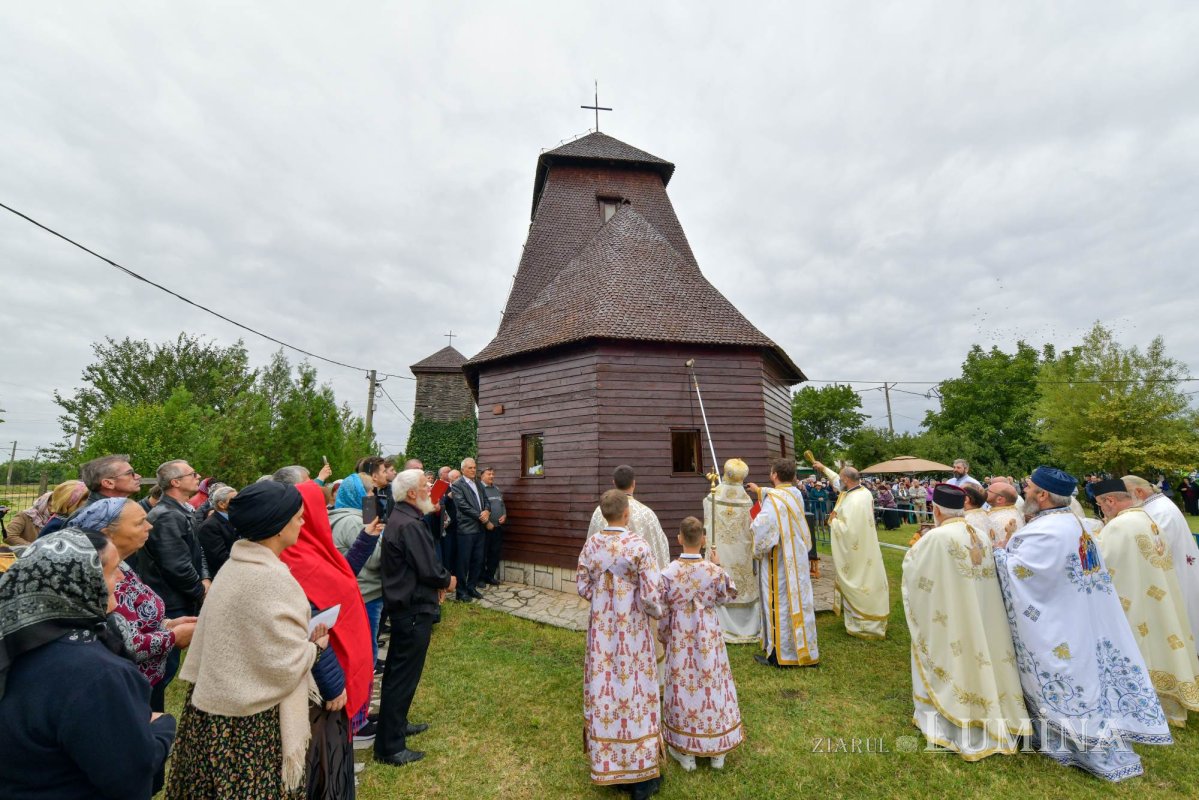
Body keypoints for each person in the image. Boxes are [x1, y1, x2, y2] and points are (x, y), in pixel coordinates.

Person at [994, 466, 1170, 781]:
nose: (1025, 492)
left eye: (1030, 487)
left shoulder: (1044, 531)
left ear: (1042, 495)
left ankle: (1075, 742)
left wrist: (997, 554)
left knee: (1064, 674)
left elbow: (1020, 574)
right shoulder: (1074, 523)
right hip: (1077, 613)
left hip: (1058, 620)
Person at [168, 480, 327, 799]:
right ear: (278, 526)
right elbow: (280, 665)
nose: (302, 522)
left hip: (216, 704)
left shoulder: (235, 566)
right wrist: (315, 648)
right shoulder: (270, 578)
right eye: (298, 517)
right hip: (250, 723)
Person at [0, 527, 176, 799]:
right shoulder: (97, 673)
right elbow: (129, 772)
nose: (122, 578)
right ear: (81, 581)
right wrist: (162, 727)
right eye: (113, 570)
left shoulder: (15, 643)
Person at [901, 484, 1029, 759]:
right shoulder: (979, 534)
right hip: (981, 611)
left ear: (936, 510)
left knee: (955, 660)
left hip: (953, 616)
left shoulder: (936, 537)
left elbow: (915, 572)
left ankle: (960, 723)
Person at [578, 489, 664, 799]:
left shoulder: (592, 545)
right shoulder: (639, 545)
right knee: (636, 689)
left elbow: (583, 586)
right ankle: (641, 776)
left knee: (606, 687)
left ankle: (611, 765)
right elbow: (652, 596)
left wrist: (604, 598)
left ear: (604, 515)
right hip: (633, 631)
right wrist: (656, 613)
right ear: (626, 513)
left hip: (602, 631)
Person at [1092, 478, 1199, 726]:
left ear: (1110, 501)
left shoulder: (1121, 525)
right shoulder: (1145, 518)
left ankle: (1141, 701)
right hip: (1155, 593)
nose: (1102, 510)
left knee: (1140, 646)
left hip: (1135, 597)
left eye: (1100, 505)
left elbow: (1102, 561)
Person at [77, 499, 198, 708]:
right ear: (107, 534)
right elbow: (122, 643)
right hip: (123, 690)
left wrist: (167, 623)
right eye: (139, 522)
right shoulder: (96, 576)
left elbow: (139, 616)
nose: (149, 526)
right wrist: (172, 636)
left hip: (146, 682)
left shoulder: (122, 565)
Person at [376, 468, 455, 767]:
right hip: (411, 608)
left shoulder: (405, 517)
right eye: (425, 486)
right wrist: (447, 581)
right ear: (412, 493)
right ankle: (390, 747)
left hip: (409, 605)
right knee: (402, 677)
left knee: (400, 674)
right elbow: (429, 568)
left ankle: (397, 725)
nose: (429, 490)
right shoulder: (409, 524)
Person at [659, 516, 743, 771]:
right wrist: (718, 566)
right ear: (704, 540)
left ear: (679, 539)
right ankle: (717, 752)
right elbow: (728, 595)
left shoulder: (668, 573)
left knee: (684, 685)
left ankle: (685, 752)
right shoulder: (714, 572)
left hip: (681, 637)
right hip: (708, 636)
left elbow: (662, 609)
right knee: (712, 683)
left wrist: (664, 635)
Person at [138, 460, 209, 712]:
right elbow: (176, 566)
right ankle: (147, 718)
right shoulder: (166, 515)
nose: (198, 476)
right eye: (193, 473)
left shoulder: (182, 509)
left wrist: (205, 578)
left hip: (178, 598)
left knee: (166, 669)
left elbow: (197, 550)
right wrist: (201, 592)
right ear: (175, 482)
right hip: (170, 602)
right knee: (160, 671)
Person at [747, 458, 819, 666]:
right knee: (799, 602)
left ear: (774, 475)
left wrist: (752, 524)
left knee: (779, 602)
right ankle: (802, 649)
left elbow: (763, 528)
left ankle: (780, 655)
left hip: (779, 561)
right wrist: (759, 490)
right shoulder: (796, 494)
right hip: (798, 558)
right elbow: (778, 496)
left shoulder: (774, 500)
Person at [1125, 474, 1199, 654]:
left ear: (1139, 492)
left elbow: (1155, 548)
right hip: (1175, 568)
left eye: (1125, 496)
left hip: (1176, 570)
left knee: (1184, 614)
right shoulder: (1153, 506)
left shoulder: (1159, 511)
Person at [815, 461, 890, 639]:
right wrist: (823, 468)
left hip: (856, 550)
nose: (839, 481)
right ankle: (860, 620)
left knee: (858, 579)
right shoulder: (861, 492)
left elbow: (849, 530)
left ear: (847, 480)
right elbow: (836, 480)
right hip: (866, 547)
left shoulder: (854, 501)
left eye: (841, 479)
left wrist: (832, 521)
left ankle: (861, 624)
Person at [703, 459, 759, 643]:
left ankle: (721, 625)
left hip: (720, 552)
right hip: (741, 551)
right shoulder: (747, 500)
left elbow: (707, 518)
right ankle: (747, 626)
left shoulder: (712, 496)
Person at [586, 465, 671, 570]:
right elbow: (660, 549)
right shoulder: (647, 514)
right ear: (633, 483)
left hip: (604, 576)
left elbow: (590, 551)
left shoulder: (600, 511)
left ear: (614, 483)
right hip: (636, 575)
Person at [450, 457, 493, 601]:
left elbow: (486, 500)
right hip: (466, 529)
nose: (473, 470)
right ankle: (461, 592)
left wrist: (487, 510)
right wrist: (481, 516)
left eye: (474, 467)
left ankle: (471, 587)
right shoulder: (457, 485)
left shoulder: (478, 483)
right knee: (464, 562)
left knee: (478, 560)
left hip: (480, 529)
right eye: (470, 468)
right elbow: (462, 505)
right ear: (463, 470)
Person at [4, 480, 89, 546]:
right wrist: (32, 547)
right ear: (43, 503)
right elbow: (9, 536)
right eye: (50, 504)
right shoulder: (25, 516)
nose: (53, 507)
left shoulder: (61, 518)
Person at [196, 485, 238, 577]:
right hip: (224, 575)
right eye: (234, 500)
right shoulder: (209, 526)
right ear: (221, 504)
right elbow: (220, 558)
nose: (239, 502)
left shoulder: (235, 519)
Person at [479, 466, 506, 586]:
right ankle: (480, 578)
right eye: (489, 474)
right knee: (482, 554)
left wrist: (504, 515)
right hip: (484, 528)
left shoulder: (496, 489)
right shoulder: (479, 489)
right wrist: (486, 522)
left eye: (493, 474)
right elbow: (478, 508)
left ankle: (490, 576)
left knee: (494, 553)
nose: (492, 476)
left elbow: (502, 504)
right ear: (482, 476)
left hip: (497, 527)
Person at [984, 480, 1023, 545]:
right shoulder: (1011, 511)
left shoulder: (1000, 519)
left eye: (989, 491)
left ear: (999, 499)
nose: (985, 492)